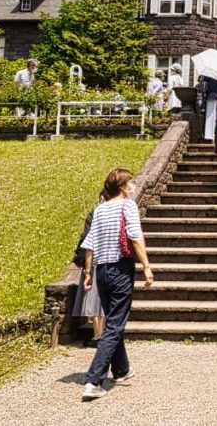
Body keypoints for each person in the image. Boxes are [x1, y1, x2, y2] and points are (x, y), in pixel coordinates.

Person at [80, 168, 153, 401]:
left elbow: (90, 243)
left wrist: (88, 272)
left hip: (101, 270)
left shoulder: (100, 209)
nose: (133, 186)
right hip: (121, 268)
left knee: (113, 319)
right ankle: (94, 380)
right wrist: (147, 266)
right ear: (123, 186)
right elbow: (134, 235)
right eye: (130, 182)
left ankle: (121, 370)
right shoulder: (127, 206)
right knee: (115, 324)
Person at [72, 202, 105, 348]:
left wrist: (87, 271)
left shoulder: (96, 215)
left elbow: (87, 242)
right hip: (109, 262)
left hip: (96, 262)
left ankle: (98, 336)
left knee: (95, 301)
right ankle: (101, 334)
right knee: (101, 302)